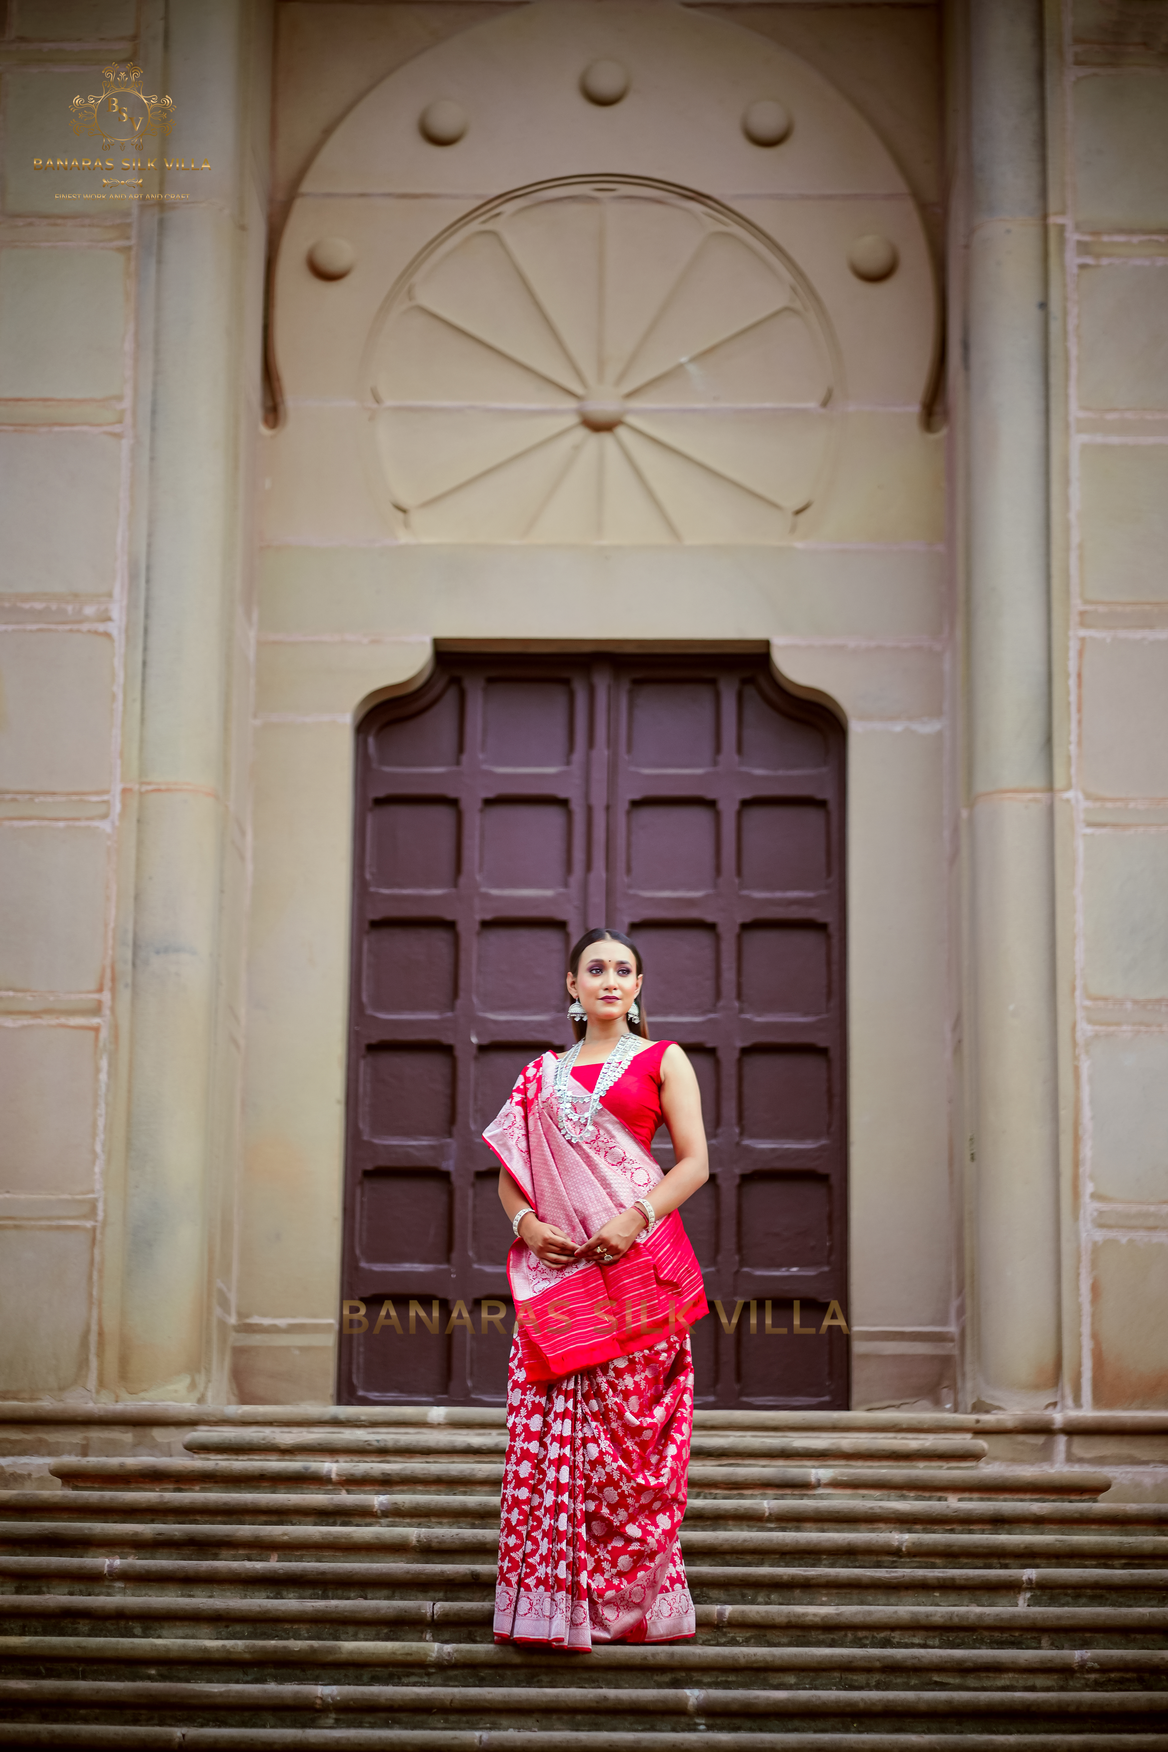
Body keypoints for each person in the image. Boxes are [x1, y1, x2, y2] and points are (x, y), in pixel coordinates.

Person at [484, 927, 709, 1650]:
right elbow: (509, 1177)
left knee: (632, 1449)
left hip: (640, 1275)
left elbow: (695, 1162)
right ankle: (558, 1602)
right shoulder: (538, 1077)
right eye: (596, 969)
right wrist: (525, 1223)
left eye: (624, 970)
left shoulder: (662, 1059)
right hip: (561, 1282)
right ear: (571, 987)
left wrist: (635, 1217)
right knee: (565, 1446)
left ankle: (629, 1604)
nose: (610, 980)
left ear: (639, 987)